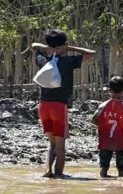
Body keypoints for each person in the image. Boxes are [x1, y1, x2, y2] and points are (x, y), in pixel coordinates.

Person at [28, 29, 96, 178]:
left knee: (51, 144)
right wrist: (70, 48)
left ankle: (48, 169)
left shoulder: (42, 60)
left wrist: (48, 48)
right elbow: (91, 53)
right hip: (59, 107)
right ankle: (59, 175)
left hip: (43, 106)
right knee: (60, 146)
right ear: (64, 45)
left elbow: (34, 45)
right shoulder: (68, 61)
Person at [91, 76, 123, 178]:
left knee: (104, 169)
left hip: (105, 142)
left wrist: (103, 126)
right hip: (120, 143)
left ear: (109, 91)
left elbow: (93, 120)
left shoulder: (102, 106)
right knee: (121, 170)